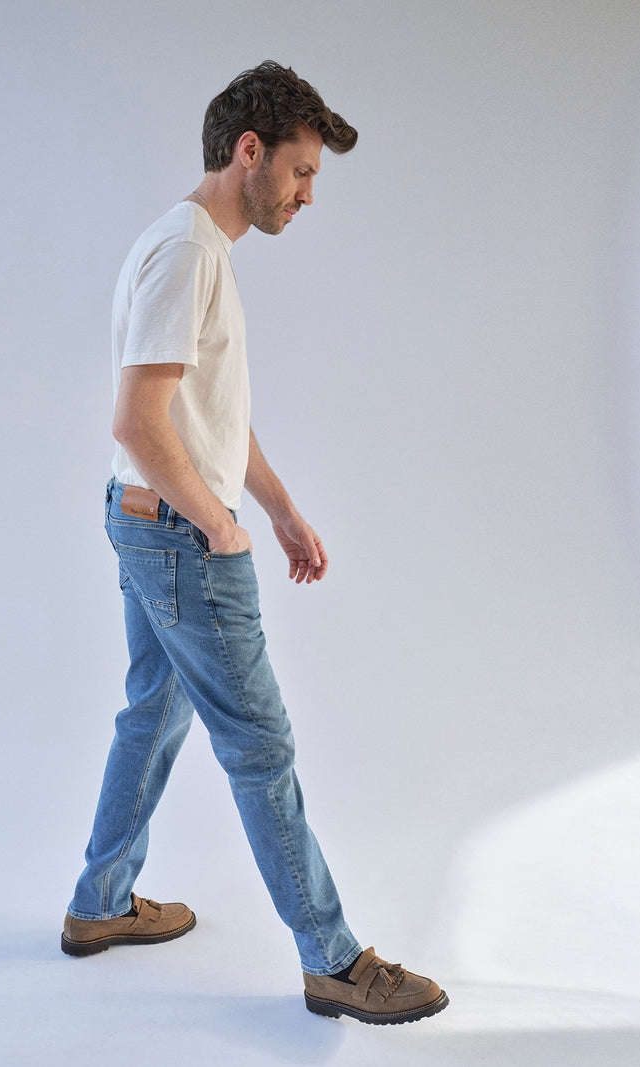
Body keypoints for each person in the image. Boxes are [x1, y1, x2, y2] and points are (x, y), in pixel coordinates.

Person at [62, 60, 448, 1027]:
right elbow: (137, 418)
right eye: (302, 170)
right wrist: (219, 524)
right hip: (178, 539)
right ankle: (335, 959)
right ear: (250, 152)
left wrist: (276, 507)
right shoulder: (188, 252)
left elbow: (208, 418)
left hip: (151, 525)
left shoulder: (196, 247)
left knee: (153, 714)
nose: (308, 193)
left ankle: (99, 902)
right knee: (261, 745)